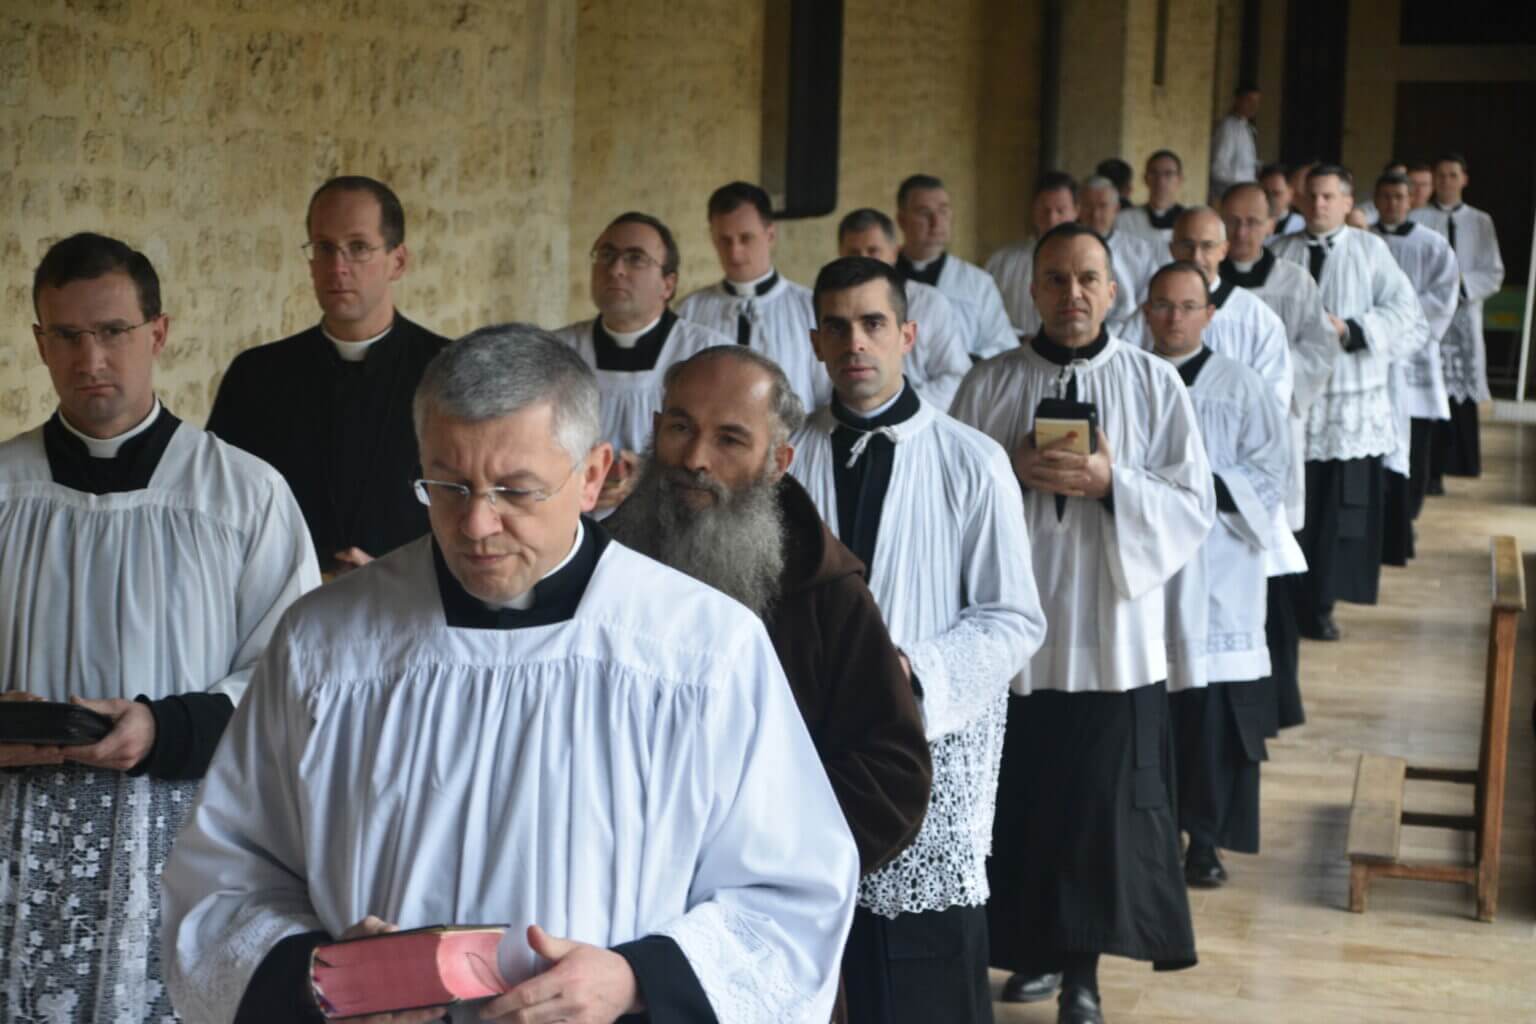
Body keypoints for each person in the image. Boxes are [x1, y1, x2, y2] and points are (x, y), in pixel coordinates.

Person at [162, 326, 859, 1024]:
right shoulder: (327, 644)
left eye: (515, 490)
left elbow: (791, 894)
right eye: (448, 485)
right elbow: (227, 880)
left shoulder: (700, 651)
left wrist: (634, 980)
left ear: (593, 475)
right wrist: (326, 978)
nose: (476, 524)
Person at [0, 232, 319, 1021]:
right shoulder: (5, 491)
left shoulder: (242, 496)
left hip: (178, 834)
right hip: (18, 841)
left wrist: (162, 726)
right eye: (68, 336)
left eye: (113, 332)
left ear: (159, 333)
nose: (91, 359)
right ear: (40, 342)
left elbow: (292, 675)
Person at [608, 344, 935, 1022]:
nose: (695, 457)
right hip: (606, 931)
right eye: (679, 426)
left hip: (755, 942)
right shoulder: (601, 564)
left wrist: (760, 854)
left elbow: (893, 773)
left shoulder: (828, 596)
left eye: (730, 439)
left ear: (777, 461)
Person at [952, 222, 1214, 1024]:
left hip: (1111, 640)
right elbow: (952, 493)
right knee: (1017, 804)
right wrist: (1009, 464)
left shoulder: (1153, 384)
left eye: (1087, 279)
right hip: (1011, 640)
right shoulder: (990, 383)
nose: (1072, 295)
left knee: (1096, 816)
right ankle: (1029, 953)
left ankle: (1084, 975)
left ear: (1112, 291)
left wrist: (1113, 482)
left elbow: (1192, 503)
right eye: (1056, 280)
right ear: (1031, 291)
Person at [790, 257, 1045, 1023]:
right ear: (815, 341)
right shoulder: (786, 459)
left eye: (872, 324)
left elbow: (1012, 617)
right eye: (836, 326)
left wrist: (913, 672)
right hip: (810, 750)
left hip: (925, 748)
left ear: (907, 335)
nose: (854, 342)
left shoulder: (972, 460)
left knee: (923, 978)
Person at [207, 175, 450, 576]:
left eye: (357, 248)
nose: (337, 267)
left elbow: (482, 504)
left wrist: (397, 577)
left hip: (416, 605)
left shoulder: (450, 369)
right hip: (282, 604)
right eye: (324, 248)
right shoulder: (257, 375)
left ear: (398, 262)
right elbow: (220, 505)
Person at [1144, 261, 1289, 891]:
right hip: (1146, 568)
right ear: (1146, 311)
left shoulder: (1242, 385)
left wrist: (1197, 491)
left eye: (1187, 307)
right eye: (1164, 307)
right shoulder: (1130, 378)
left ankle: (1205, 839)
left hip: (1218, 571)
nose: (1175, 319)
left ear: (1209, 314)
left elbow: (1272, 473)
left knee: (1211, 717)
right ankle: (1152, 835)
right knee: (1152, 711)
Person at [1270, 165, 1422, 642]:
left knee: (1338, 514)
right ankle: (1288, 605)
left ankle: (1321, 604)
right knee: (1297, 510)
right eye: (1312, 196)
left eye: (1329, 197)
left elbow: (1405, 312)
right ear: (1299, 199)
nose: (1318, 205)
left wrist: (1351, 328)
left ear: (1345, 200)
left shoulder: (1370, 250)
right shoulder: (1280, 254)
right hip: (1293, 403)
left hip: (1349, 403)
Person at [1218, 182, 1338, 728]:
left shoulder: (1293, 282)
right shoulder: (1182, 292)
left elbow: (1318, 348)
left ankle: (1274, 697)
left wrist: (1266, 382)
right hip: (1205, 461)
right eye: (1233, 223)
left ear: (1271, 225)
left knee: (1267, 570)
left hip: (1265, 446)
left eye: (1252, 222)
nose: (1242, 233)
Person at [552, 211, 732, 510]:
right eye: (606, 254)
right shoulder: (555, 352)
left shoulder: (711, 357)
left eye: (636, 258)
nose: (616, 269)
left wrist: (652, 478)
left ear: (668, 284)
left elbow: (730, 455)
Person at [676, 180, 830, 412]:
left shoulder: (809, 307)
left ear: (770, 235)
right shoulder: (689, 310)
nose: (735, 252)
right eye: (724, 240)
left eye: (746, 238)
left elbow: (825, 394)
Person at [1371, 173, 1458, 550]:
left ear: (1411, 202)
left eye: (1399, 197)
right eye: (1386, 196)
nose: (1392, 203)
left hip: (1415, 354)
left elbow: (1443, 297)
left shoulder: (1432, 244)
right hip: (1370, 354)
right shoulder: (1363, 241)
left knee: (1415, 441)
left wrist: (1399, 323)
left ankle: (1407, 516)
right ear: (1375, 199)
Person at [1409, 153, 1505, 481]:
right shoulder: (1418, 217)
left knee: (1460, 388)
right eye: (1441, 175)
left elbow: (1493, 271)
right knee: (1429, 381)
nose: (1447, 181)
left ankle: (1462, 461)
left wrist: (1460, 285)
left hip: (1464, 313)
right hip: (1430, 313)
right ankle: (1429, 465)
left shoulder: (1480, 221)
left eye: (1453, 175)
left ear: (1464, 179)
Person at [837, 207, 973, 409]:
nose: (863, 261)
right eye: (854, 253)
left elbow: (957, 377)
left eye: (873, 251)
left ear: (894, 252)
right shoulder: (830, 307)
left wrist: (894, 406)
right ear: (840, 255)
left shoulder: (930, 303)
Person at [894, 173, 1018, 360]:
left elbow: (1004, 345)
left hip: (961, 384)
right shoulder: (883, 278)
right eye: (924, 213)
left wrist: (965, 362)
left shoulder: (977, 282)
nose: (936, 222)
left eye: (943, 211)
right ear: (902, 220)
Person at [986, 171, 1084, 338]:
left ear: (1076, 211)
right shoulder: (1002, 262)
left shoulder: (1093, 261)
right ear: (1033, 209)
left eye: (1060, 210)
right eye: (1045, 210)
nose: (1052, 218)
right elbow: (987, 316)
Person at [1116, 150, 1187, 247]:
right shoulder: (1124, 220)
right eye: (1154, 173)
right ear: (1145, 178)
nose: (1160, 180)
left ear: (1180, 179)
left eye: (1168, 173)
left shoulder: (1189, 220)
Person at [1209, 85, 1261, 201]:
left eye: (1257, 102)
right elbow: (1218, 169)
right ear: (1238, 100)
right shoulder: (1227, 127)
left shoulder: (1248, 129)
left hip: (1246, 193)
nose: (1254, 106)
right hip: (1230, 195)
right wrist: (1241, 183)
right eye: (1249, 100)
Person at [1260, 163, 1305, 239]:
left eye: (1276, 193)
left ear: (1291, 194)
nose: (1269, 198)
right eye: (1265, 192)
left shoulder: (1301, 226)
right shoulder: (1247, 224)